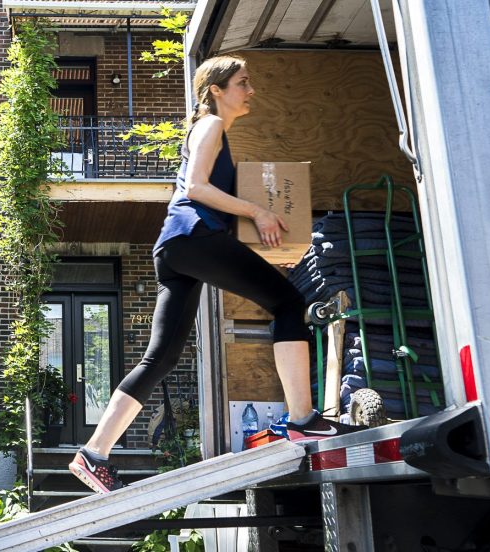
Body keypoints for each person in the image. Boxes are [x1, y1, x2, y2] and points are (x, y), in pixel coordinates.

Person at [68, 55, 365, 494]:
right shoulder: (209, 126)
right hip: (192, 238)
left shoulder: (213, 131)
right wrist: (258, 211)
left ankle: (93, 455)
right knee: (288, 303)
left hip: (179, 247)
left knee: (162, 357)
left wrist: (264, 243)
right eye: (243, 83)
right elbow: (197, 190)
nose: (251, 91)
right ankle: (304, 421)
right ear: (217, 91)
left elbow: (206, 202)